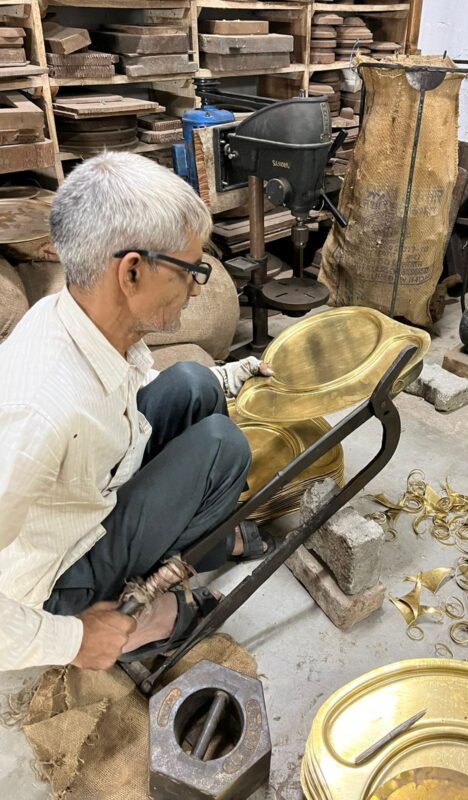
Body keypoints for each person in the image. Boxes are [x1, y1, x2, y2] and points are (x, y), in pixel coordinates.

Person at [0, 151, 273, 673]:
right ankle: (146, 614)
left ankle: (208, 542)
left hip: (92, 498)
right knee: (222, 446)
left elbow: (126, 394)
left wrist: (231, 375)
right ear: (131, 272)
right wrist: (71, 640)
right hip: (57, 579)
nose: (197, 287)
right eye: (190, 271)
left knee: (193, 383)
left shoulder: (77, 318)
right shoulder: (35, 411)